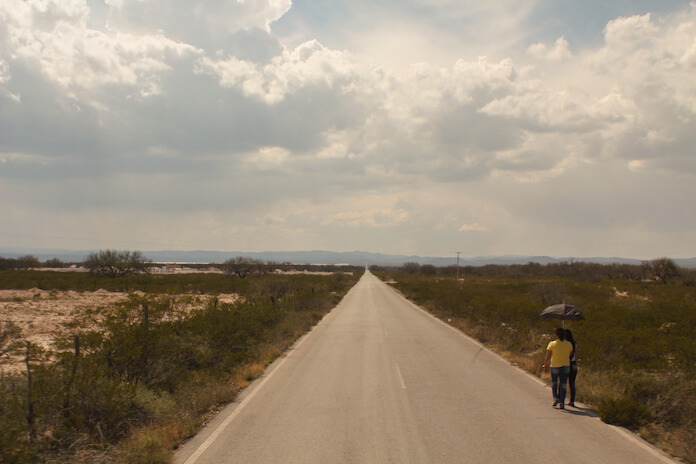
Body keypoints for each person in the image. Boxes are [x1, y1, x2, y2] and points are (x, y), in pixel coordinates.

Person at [543, 327, 574, 409]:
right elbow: (570, 354)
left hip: (555, 366)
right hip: (565, 366)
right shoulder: (569, 344)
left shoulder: (552, 344)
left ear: (556, 335)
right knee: (563, 384)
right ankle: (562, 402)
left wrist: (545, 365)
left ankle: (555, 398)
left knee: (554, 383)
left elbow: (548, 356)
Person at [565, 329, 578, 407]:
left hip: (565, 363)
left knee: (563, 382)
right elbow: (575, 355)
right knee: (572, 383)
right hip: (573, 363)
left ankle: (560, 398)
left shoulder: (565, 344)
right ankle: (572, 400)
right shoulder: (574, 344)